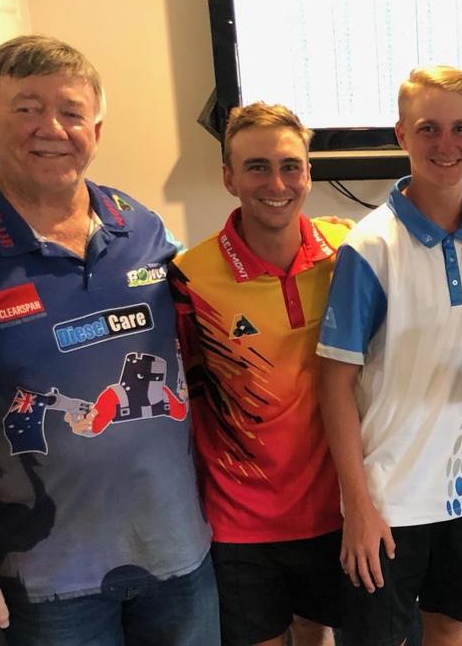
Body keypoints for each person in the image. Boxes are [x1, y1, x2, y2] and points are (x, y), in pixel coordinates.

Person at [0, 35, 216, 646]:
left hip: (177, 555)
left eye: (71, 111)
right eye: (26, 108)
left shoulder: (144, 228)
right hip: (43, 579)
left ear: (96, 128)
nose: (51, 128)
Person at [315, 66, 462, 646]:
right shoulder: (369, 247)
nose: (445, 145)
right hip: (389, 497)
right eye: (428, 129)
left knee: (450, 628)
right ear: (401, 135)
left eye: (460, 129)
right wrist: (358, 505)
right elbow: (334, 386)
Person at [170, 103, 347, 646]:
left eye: (291, 166)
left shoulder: (349, 251)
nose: (277, 183)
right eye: (256, 167)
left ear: (309, 173)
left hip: (336, 510)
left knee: (318, 635)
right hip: (240, 523)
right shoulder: (189, 277)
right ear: (228, 178)